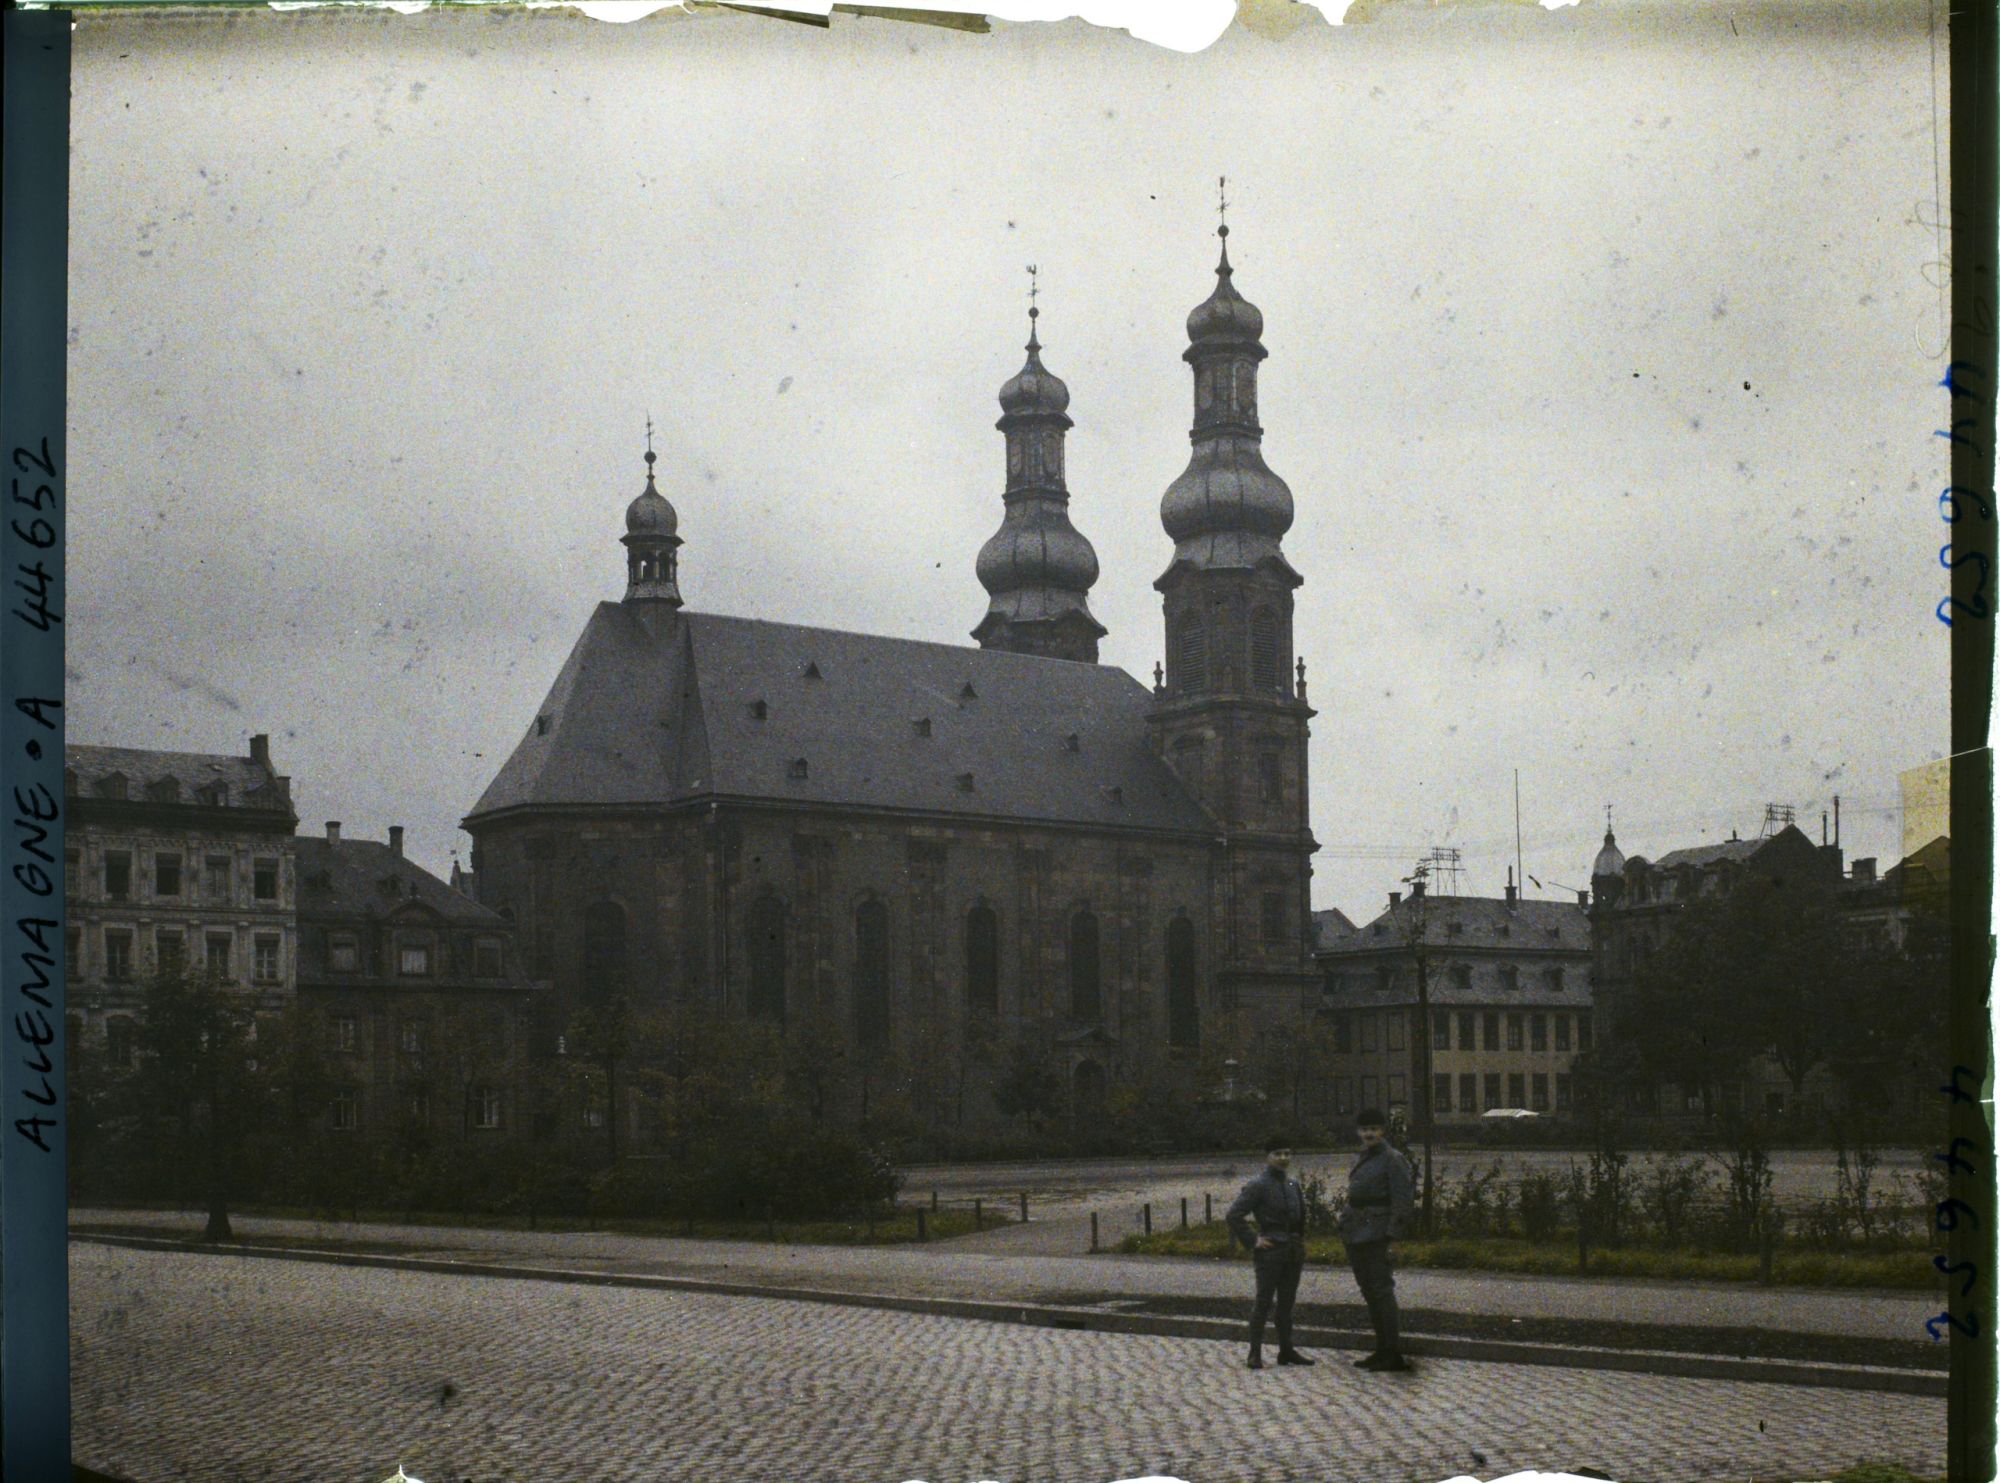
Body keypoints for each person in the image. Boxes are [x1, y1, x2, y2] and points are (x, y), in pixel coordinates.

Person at [1224, 1136, 1315, 1370]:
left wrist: (1299, 1241)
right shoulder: (1258, 1185)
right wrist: (1253, 1240)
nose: (1283, 1158)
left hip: (1293, 1250)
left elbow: (1301, 1216)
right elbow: (1234, 1215)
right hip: (1270, 1250)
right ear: (1268, 1157)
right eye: (1278, 1154)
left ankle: (1286, 1350)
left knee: (1287, 1303)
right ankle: (1254, 1353)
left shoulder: (1293, 1184)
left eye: (1287, 1153)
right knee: (1263, 1302)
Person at [1338, 1108, 1415, 1372]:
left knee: (1381, 1291)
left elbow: (1402, 1202)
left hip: (1378, 1233)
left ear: (1383, 1131)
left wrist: (1394, 1237)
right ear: (1358, 1132)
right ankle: (1380, 1350)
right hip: (1356, 1233)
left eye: (1374, 1128)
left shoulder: (1393, 1159)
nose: (1369, 1133)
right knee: (1369, 1292)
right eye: (1364, 1129)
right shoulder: (1364, 1157)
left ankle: (1392, 1353)